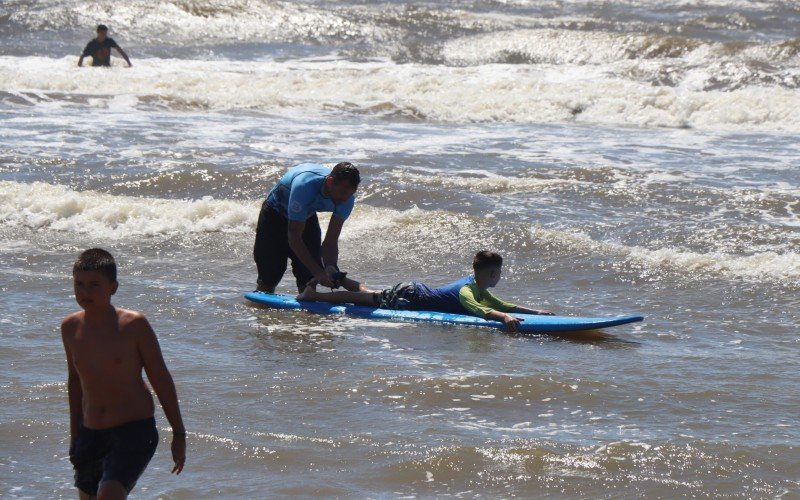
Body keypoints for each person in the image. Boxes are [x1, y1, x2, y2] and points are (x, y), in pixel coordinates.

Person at [61, 249, 185, 499]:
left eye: (94, 285)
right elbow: (75, 382)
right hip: (90, 432)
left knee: (109, 494)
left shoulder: (134, 325)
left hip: (134, 431)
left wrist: (179, 433)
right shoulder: (70, 328)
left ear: (113, 287)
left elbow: (160, 378)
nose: (85, 292)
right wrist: (75, 435)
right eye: (79, 284)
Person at [298, 250, 554, 332]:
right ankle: (316, 296)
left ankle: (341, 279)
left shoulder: (479, 285)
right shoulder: (468, 290)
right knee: (368, 300)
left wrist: (536, 312)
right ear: (493, 274)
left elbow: (503, 303)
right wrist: (503, 318)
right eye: (500, 272)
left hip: (413, 291)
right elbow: (481, 310)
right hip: (410, 297)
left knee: (371, 293)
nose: (501, 276)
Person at [254, 161, 361, 293]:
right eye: (342, 192)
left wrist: (330, 266)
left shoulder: (347, 199)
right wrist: (318, 272)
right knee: (269, 279)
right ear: (330, 182)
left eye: (349, 194)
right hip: (274, 217)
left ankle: (305, 312)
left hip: (305, 217)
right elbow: (294, 237)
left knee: (308, 282)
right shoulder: (304, 187)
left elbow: (330, 242)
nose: (344, 199)